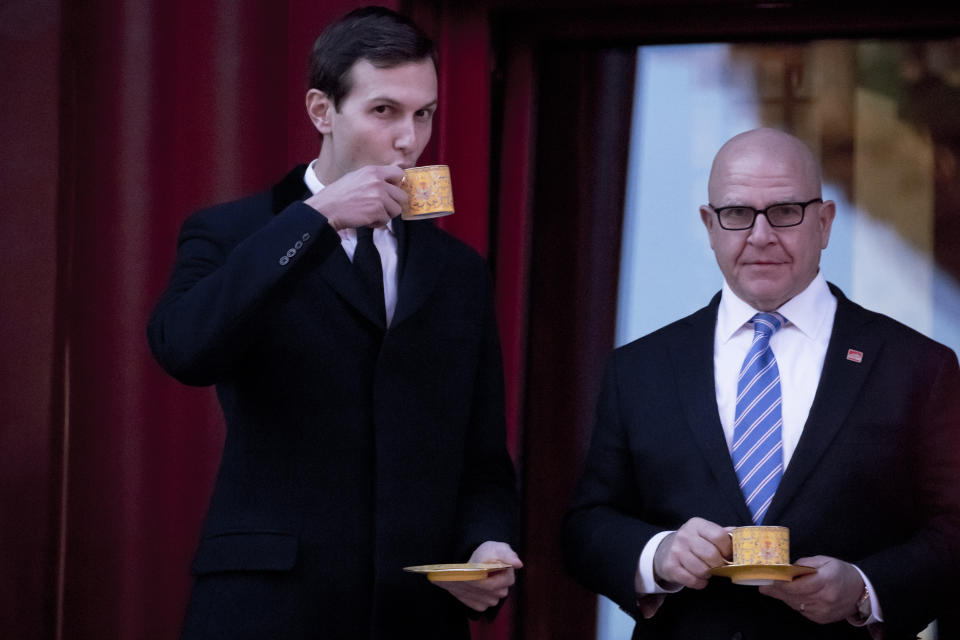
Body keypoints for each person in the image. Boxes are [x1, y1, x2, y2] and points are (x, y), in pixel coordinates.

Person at [147, 7, 521, 638]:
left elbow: (481, 456)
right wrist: (313, 220)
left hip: (412, 613)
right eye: (384, 111)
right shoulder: (235, 230)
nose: (409, 138)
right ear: (322, 112)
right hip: (267, 606)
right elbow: (184, 348)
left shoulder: (458, 270)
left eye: (423, 113)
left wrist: (484, 544)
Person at [562, 127, 960, 639]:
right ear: (709, 225)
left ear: (825, 221)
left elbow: (953, 529)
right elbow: (586, 526)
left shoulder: (916, 367)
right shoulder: (639, 369)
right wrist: (657, 554)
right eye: (736, 214)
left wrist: (864, 588)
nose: (760, 235)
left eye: (785, 211)